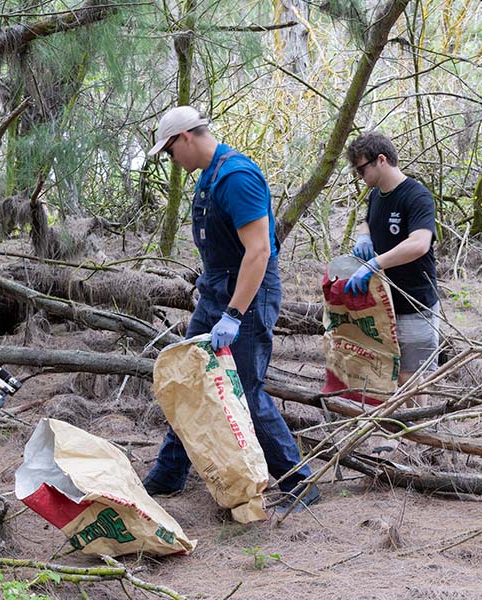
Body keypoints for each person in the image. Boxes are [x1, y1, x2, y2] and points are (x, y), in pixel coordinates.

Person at [143, 106, 318, 512]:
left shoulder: (237, 177)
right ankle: (169, 475)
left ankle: (299, 481)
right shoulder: (208, 178)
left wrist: (235, 314)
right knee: (188, 380)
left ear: (185, 137)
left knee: (246, 391)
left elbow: (258, 252)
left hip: (248, 295)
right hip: (216, 292)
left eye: (170, 153)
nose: (172, 162)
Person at [344, 132, 440, 398]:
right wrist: (364, 234)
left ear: (381, 160)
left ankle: (422, 435)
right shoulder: (376, 196)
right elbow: (368, 221)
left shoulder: (416, 195)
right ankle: (402, 433)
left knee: (414, 377)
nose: (359, 175)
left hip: (414, 302)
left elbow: (420, 243)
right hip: (384, 304)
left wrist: (374, 263)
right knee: (393, 373)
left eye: (361, 168)